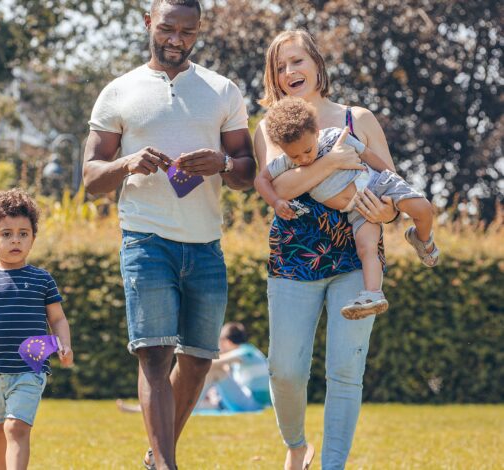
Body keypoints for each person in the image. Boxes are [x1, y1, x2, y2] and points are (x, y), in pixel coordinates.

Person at [83, 0, 255, 467]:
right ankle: (166, 464)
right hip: (146, 240)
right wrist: (126, 163)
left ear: (198, 32)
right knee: (155, 356)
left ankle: (157, 456)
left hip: (205, 245)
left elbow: (247, 171)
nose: (176, 39)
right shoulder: (119, 92)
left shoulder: (222, 91)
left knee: (198, 360)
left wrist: (222, 163)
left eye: (187, 31)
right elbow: (91, 177)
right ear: (147, 24)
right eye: (167, 28)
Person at [252, 30, 401, 470]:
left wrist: (388, 213)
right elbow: (279, 186)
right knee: (285, 369)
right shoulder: (271, 127)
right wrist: (331, 163)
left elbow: (391, 185)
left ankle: (333, 465)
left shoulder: (359, 119)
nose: (289, 72)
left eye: (297, 61)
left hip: (355, 256)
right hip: (293, 258)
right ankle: (296, 445)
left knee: (345, 371)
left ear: (317, 63)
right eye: (279, 67)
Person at [256, 97, 440, 319]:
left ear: (316, 132)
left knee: (423, 208)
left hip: (376, 185)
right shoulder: (286, 161)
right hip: (357, 211)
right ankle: (373, 294)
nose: (303, 159)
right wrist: (275, 202)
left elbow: (369, 156)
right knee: (366, 248)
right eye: (295, 156)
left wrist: (394, 179)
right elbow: (261, 180)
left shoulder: (335, 136)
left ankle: (422, 239)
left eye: (307, 150)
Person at [0, 188, 74, 470]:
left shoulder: (42, 280)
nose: (15, 240)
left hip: (29, 371)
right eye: (6, 234)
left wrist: (65, 344)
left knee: (16, 428)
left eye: (23, 233)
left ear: (33, 238)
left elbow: (57, 318)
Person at [118, 322, 270, 414]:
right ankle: (147, 409)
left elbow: (212, 363)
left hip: (253, 404)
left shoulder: (246, 352)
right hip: (245, 402)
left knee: (213, 369)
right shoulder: (245, 356)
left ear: (226, 341)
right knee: (208, 388)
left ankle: (180, 405)